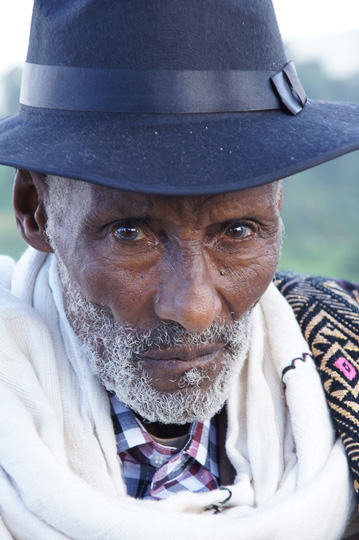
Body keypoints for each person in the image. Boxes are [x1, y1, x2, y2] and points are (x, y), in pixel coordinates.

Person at [0, 1, 359, 539]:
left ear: (277, 211)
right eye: (130, 233)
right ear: (37, 210)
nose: (192, 308)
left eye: (238, 232)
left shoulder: (348, 339)